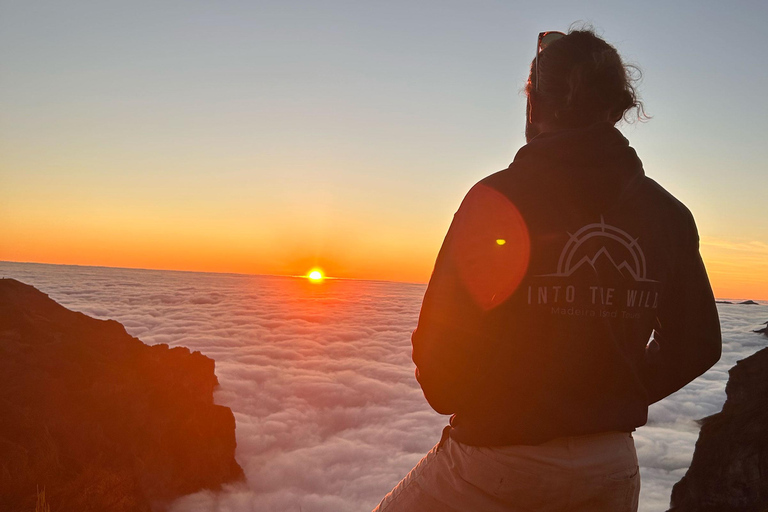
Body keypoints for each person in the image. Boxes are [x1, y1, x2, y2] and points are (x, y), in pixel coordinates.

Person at [373, 28, 722, 512]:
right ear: (616, 108)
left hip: (494, 466)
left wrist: (506, 398)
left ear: (534, 106)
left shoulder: (497, 199)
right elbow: (698, 343)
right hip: (611, 469)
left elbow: (441, 362)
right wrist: (612, 390)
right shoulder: (668, 214)